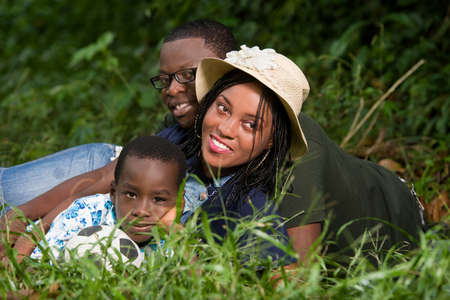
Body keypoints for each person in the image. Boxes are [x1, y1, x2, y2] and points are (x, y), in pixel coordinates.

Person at [22, 135, 187, 260]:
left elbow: (196, 276)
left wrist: (177, 233)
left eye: (158, 199)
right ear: (113, 193)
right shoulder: (85, 215)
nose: (142, 211)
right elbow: (35, 265)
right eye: (131, 195)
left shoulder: (170, 238)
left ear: (180, 201)